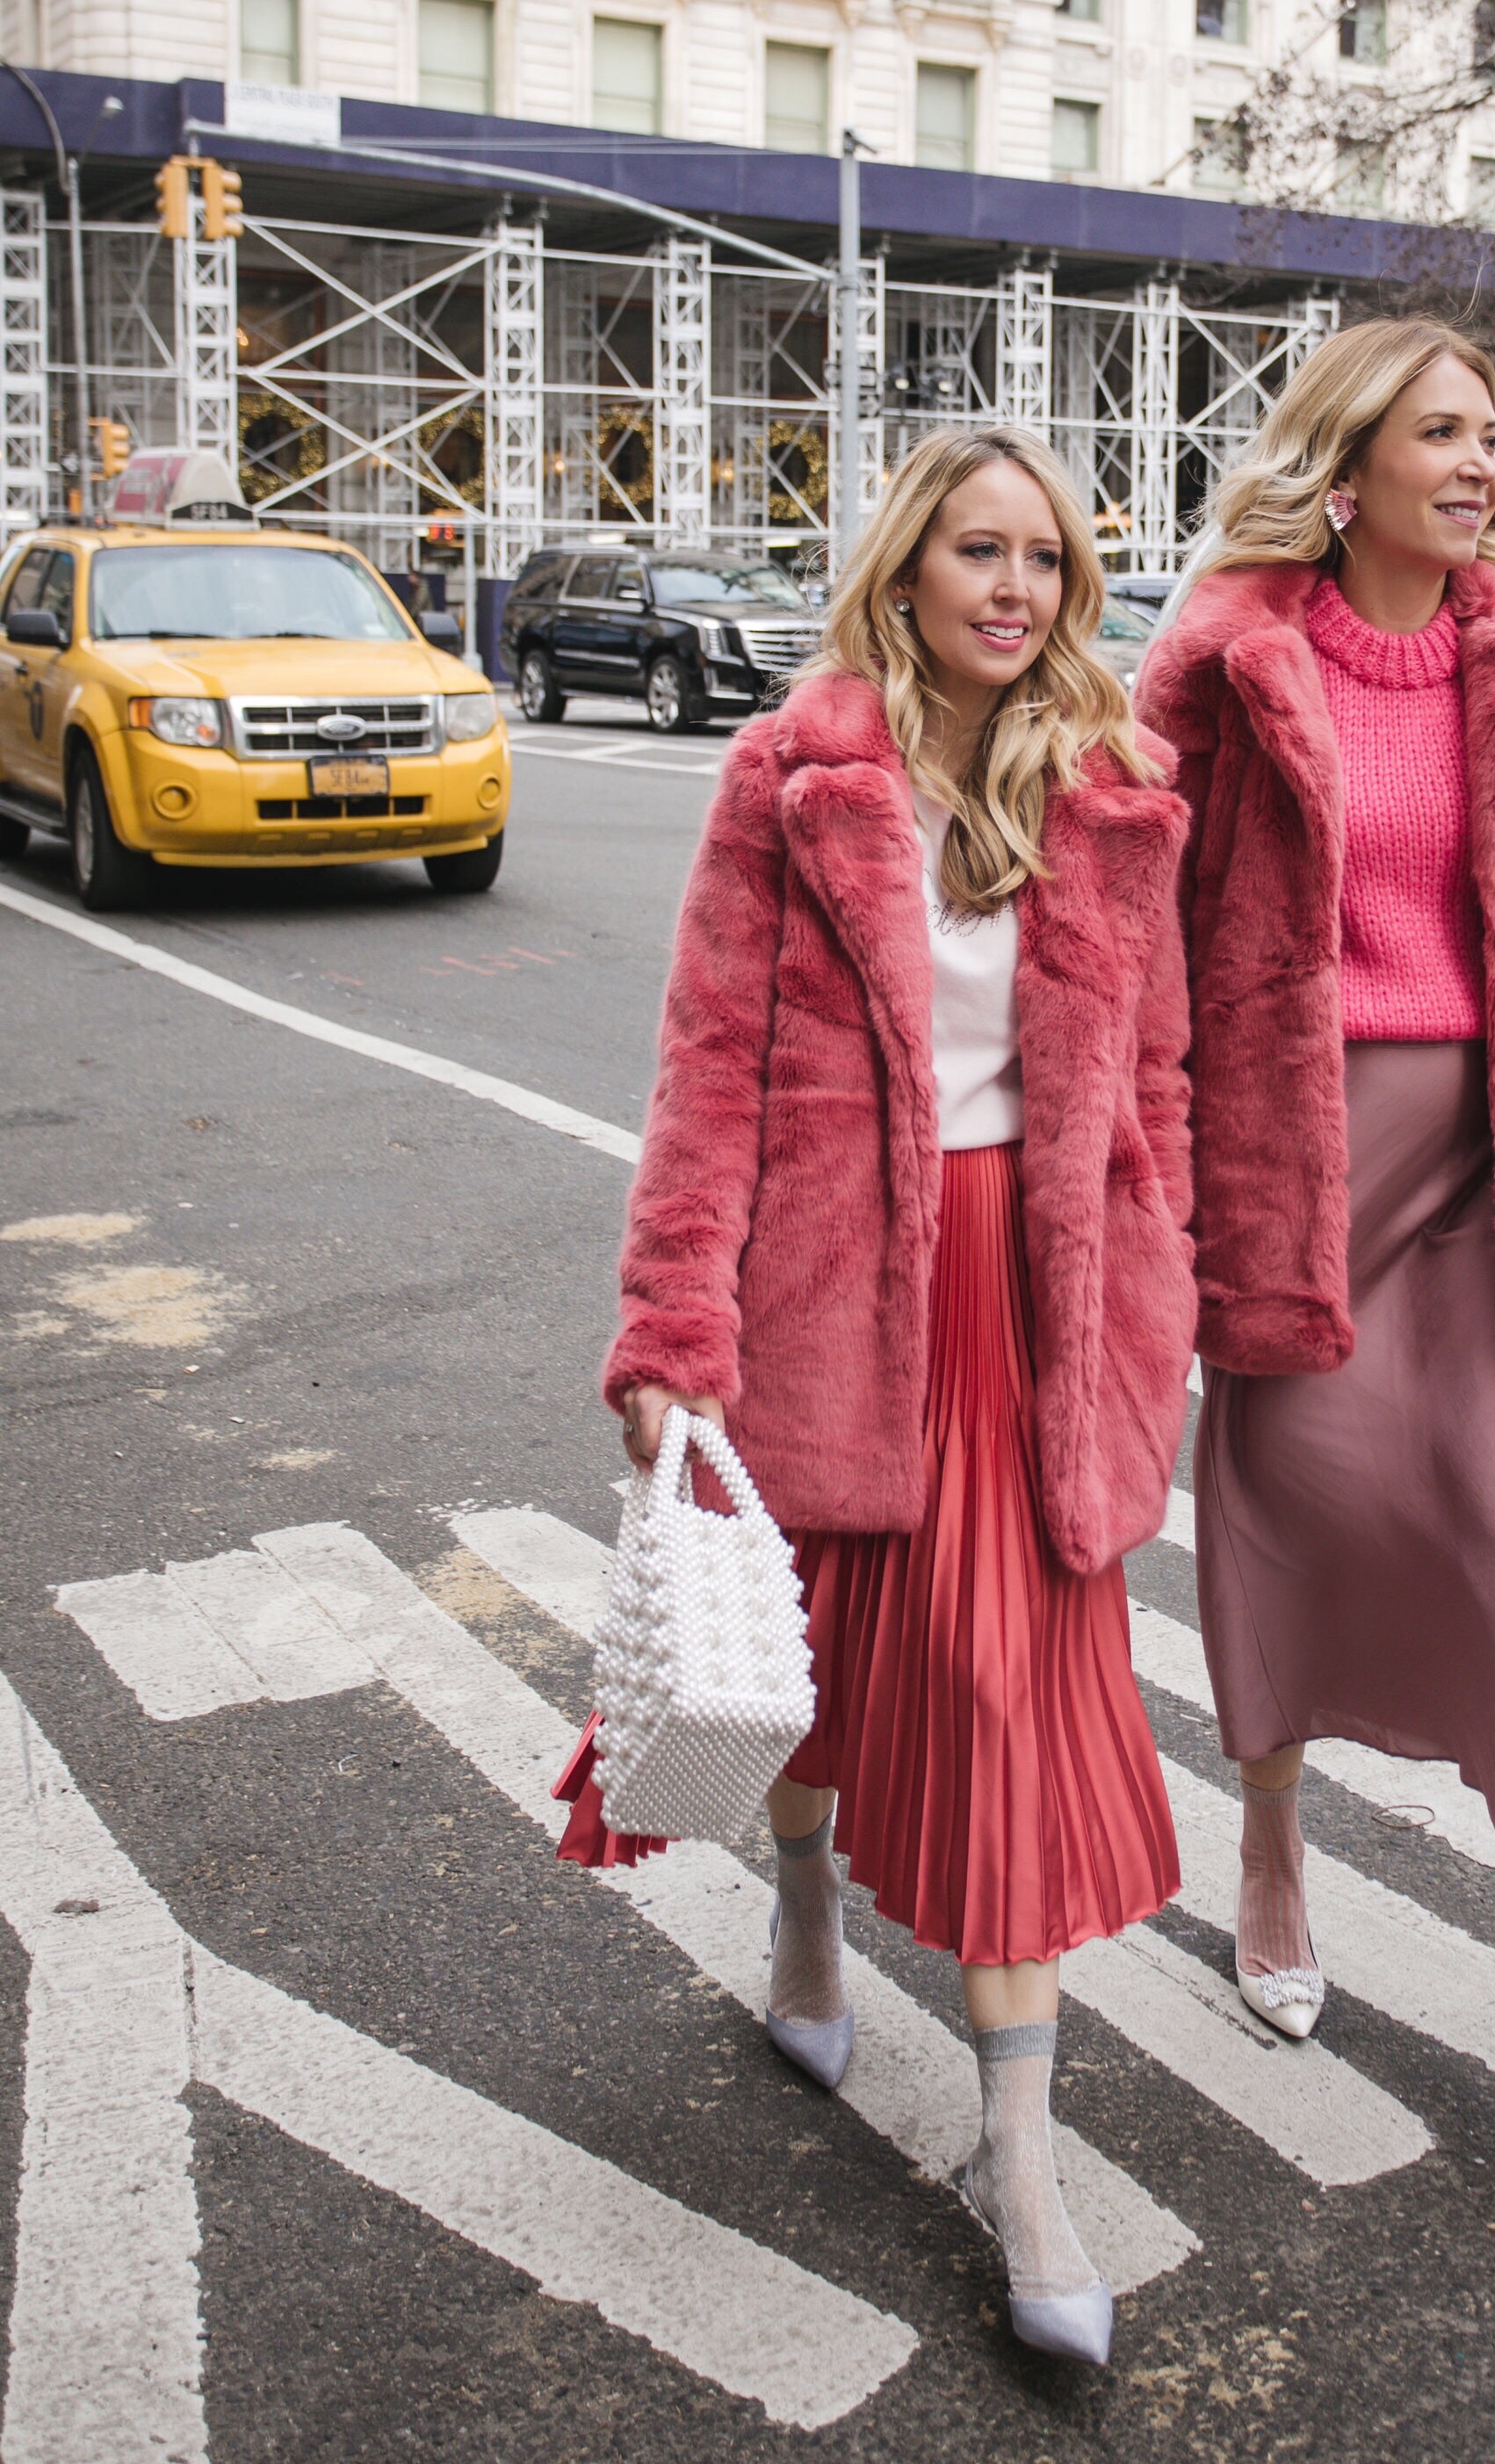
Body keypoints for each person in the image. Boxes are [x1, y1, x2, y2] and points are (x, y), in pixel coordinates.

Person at [574, 427, 1197, 2363]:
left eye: (1047, 562)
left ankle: (1019, 2163)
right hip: (844, 1294)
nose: (1015, 591)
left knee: (1013, 1711)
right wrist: (674, 1335)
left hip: (1045, 1308)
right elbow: (709, 1070)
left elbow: (1157, 1082)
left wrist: (1160, 1270)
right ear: (909, 569)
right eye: (979, 553)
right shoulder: (794, 778)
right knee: (818, 1678)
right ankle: (807, 1913)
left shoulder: (1109, 787)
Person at [1136, 318, 1495, 2221]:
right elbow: (1131, 933)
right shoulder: (1222, 664)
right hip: (1294, 1164)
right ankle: (1274, 1854)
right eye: (1443, 435)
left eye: (1492, 437)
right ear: (1348, 460)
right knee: (1286, 1515)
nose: (1481, 467)